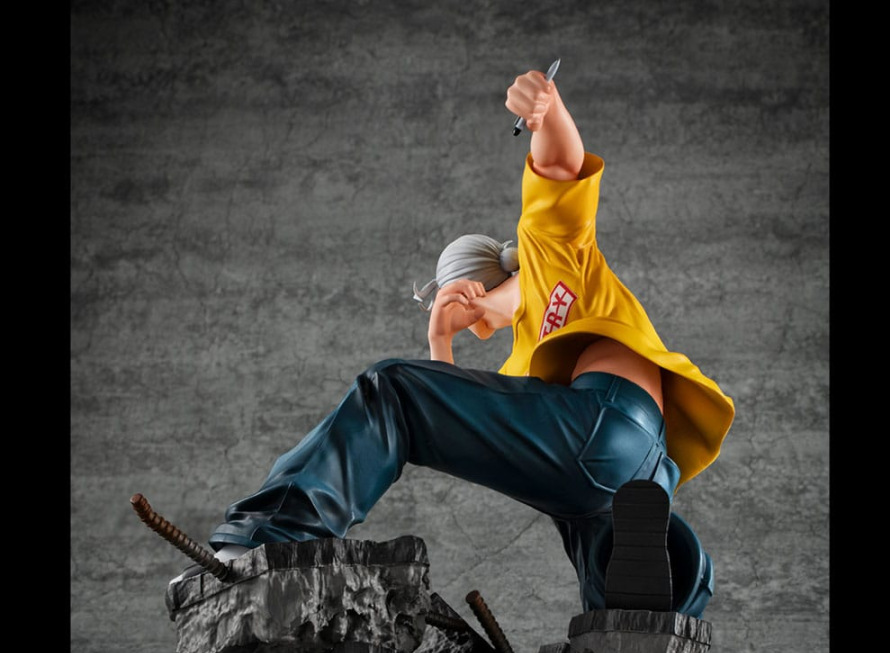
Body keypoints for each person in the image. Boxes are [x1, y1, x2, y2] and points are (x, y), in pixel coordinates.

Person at [179, 69, 734, 618]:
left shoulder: (550, 251)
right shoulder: (525, 373)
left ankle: (267, 542)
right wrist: (439, 338)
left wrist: (548, 111)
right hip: (635, 479)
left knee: (390, 389)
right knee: (611, 592)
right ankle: (670, 594)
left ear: (476, 282)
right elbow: (448, 431)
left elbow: (561, 166)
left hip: (608, 420)